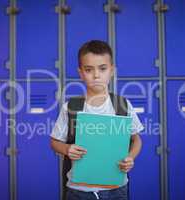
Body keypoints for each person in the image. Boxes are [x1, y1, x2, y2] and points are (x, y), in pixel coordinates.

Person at [50, 40, 144, 200]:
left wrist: (130, 157)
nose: (96, 75)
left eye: (102, 69)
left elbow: (136, 139)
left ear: (112, 70)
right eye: (88, 70)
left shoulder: (122, 105)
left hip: (117, 189)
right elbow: (54, 142)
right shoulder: (71, 106)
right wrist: (67, 149)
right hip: (78, 191)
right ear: (80, 73)